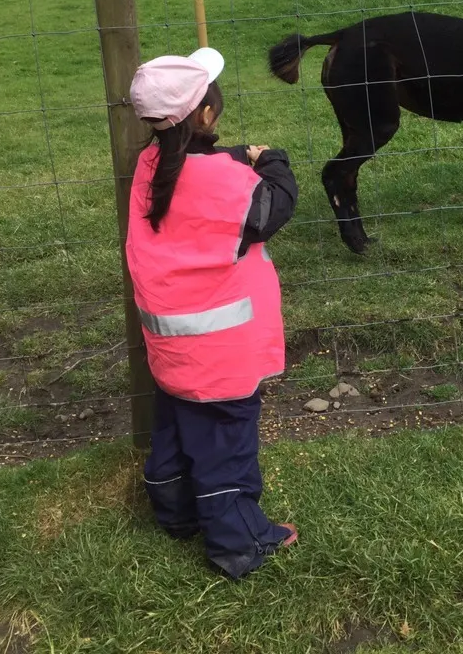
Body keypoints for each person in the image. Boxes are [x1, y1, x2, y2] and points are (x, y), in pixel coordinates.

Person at [125, 46, 299, 580]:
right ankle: (238, 542)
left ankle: (175, 513)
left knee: (176, 428)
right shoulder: (226, 185)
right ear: (205, 115)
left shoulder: (150, 166)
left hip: (170, 346)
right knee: (226, 443)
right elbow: (274, 207)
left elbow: (201, 165)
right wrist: (272, 160)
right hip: (222, 351)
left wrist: (234, 154)